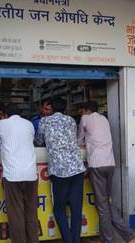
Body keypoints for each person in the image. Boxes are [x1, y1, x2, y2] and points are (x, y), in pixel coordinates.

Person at [77, 101, 135, 243]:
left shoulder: (85, 119)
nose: (81, 113)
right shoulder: (104, 119)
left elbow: (79, 141)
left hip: (97, 165)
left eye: (82, 111)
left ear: (86, 110)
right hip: (110, 164)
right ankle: (130, 236)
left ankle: (108, 240)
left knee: (103, 207)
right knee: (106, 202)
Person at [35, 97, 86, 243]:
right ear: (65, 108)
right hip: (77, 168)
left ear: (52, 108)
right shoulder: (71, 120)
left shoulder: (44, 121)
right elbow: (74, 138)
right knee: (76, 208)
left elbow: (38, 141)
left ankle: (68, 240)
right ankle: (75, 240)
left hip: (60, 170)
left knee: (59, 208)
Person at [0, 104, 39, 243]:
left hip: (12, 175)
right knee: (31, 212)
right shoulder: (29, 124)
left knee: (16, 214)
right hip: (31, 173)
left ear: (6, 114)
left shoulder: (2, 123)